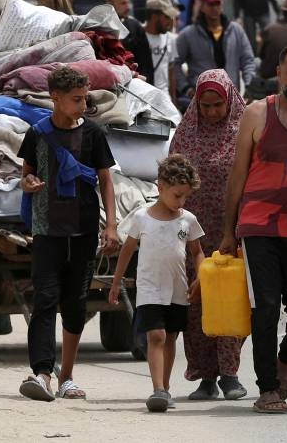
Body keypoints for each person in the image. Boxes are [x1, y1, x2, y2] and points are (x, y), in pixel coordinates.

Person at [219, 43, 287, 415]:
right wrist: (229, 232)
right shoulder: (257, 113)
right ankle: (268, 388)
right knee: (264, 308)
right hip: (259, 225)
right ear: (278, 74)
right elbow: (238, 176)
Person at [17, 66, 120, 402]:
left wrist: (112, 226)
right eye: (75, 99)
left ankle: (67, 376)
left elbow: (106, 180)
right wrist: (30, 184)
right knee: (45, 299)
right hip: (47, 230)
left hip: (84, 230)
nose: (82, 105)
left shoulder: (93, 134)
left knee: (75, 304)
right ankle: (42, 374)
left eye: (84, 98)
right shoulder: (37, 134)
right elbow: (26, 176)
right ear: (55, 98)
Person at [168, 70, 249, 401]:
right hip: (193, 236)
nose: (213, 112)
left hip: (234, 231)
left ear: (229, 100)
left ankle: (229, 373)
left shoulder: (245, 131)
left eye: (218, 105)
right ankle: (204, 376)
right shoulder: (186, 135)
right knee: (197, 304)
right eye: (206, 105)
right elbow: (171, 179)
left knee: (229, 299)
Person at [109, 154, 205, 412]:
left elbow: (196, 251)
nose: (181, 201)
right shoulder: (142, 217)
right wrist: (116, 283)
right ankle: (157, 389)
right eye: (177, 195)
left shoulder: (188, 220)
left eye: (185, 196)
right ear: (160, 187)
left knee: (171, 337)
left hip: (178, 289)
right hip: (149, 288)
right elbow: (127, 250)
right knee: (156, 335)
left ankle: (165, 387)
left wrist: (201, 278)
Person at [174, 0, 255, 106]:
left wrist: (249, 85)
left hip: (231, 98)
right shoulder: (188, 34)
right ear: (202, 7)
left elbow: (248, 60)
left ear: (222, 5)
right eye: (210, 4)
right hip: (203, 101)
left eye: (217, 3)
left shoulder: (236, 31)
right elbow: (174, 63)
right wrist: (186, 89)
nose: (215, 8)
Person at [129, 0, 179, 95]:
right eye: (167, 17)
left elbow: (171, 72)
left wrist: (173, 101)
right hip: (142, 96)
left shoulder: (171, 38)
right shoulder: (136, 37)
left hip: (164, 98)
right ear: (154, 16)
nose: (170, 21)